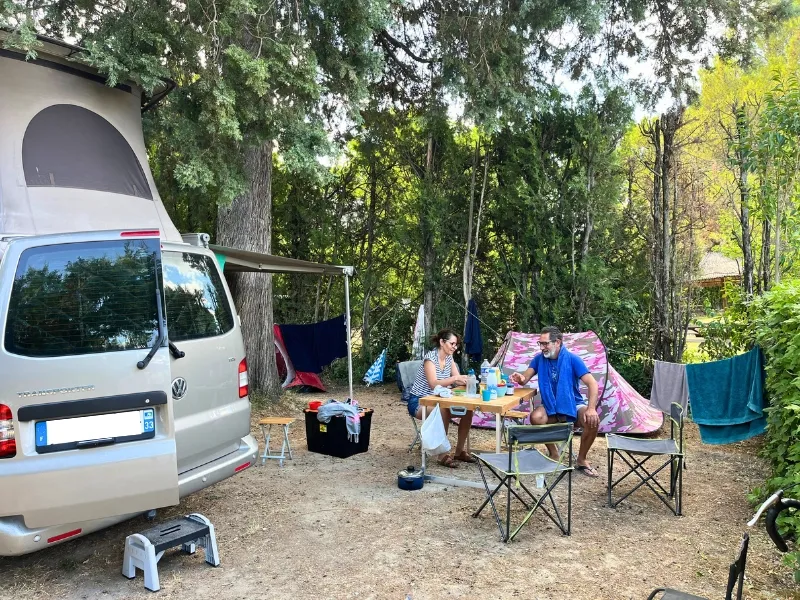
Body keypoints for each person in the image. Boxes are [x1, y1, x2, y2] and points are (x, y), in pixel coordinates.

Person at [510, 325, 600, 477]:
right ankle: (554, 454)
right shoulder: (539, 359)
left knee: (592, 421)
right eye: (540, 343)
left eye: (545, 343)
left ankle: (582, 459)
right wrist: (520, 378)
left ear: (557, 342)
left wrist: (591, 408)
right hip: (550, 406)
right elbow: (525, 378)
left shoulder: (573, 359)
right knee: (536, 417)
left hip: (573, 404)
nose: (542, 347)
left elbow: (593, 383)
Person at [407, 329, 474, 468]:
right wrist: (455, 378)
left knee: (468, 410)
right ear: (442, 342)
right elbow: (433, 383)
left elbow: (456, 380)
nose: (455, 347)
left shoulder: (449, 358)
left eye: (456, 345)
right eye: (452, 344)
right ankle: (442, 455)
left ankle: (459, 451)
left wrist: (467, 380)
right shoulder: (430, 359)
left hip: (440, 400)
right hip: (419, 401)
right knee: (443, 410)